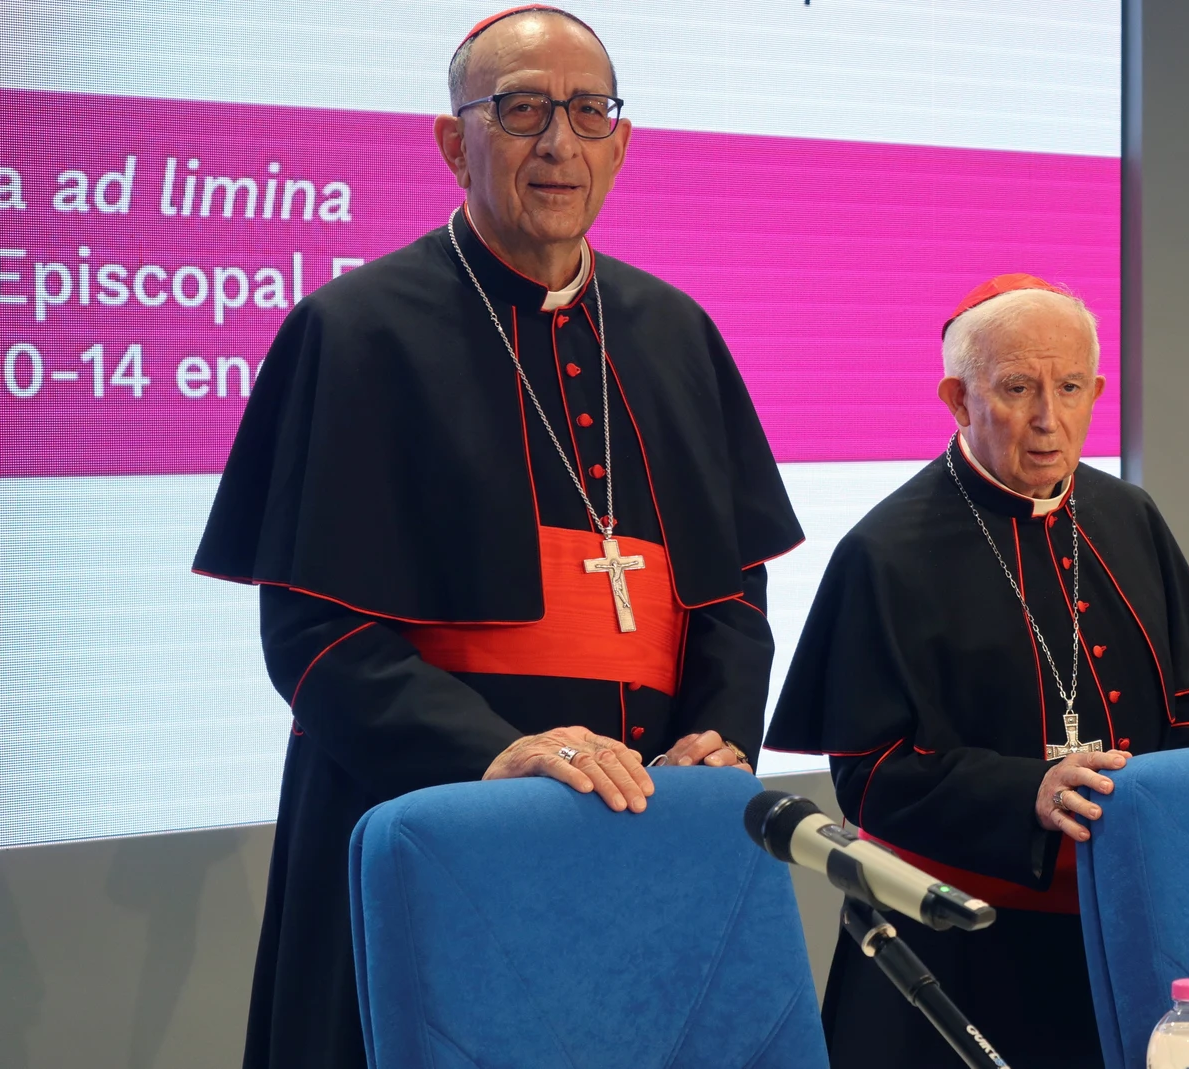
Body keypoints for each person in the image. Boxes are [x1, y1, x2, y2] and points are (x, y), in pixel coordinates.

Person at [191, 7, 803, 1067]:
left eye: (587, 111)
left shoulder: (678, 332)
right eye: (520, 110)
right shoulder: (355, 331)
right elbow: (316, 634)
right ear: (452, 142)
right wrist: (492, 752)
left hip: (648, 831)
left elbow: (732, 592)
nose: (558, 141)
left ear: (621, 141)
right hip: (438, 832)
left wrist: (717, 731)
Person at [766, 275, 1189, 1067]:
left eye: (1071, 386)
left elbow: (1187, 712)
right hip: (958, 948)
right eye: (1018, 388)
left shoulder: (1129, 517)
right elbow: (869, 775)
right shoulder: (887, 553)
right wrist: (1031, 791)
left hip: (1126, 923)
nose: (1050, 419)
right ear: (958, 398)